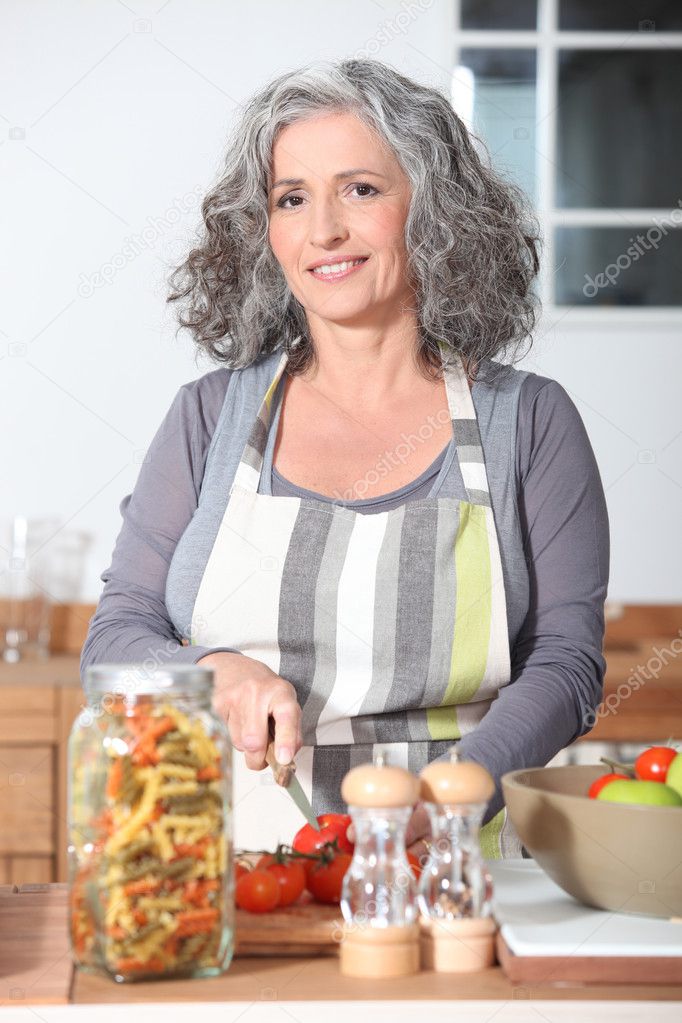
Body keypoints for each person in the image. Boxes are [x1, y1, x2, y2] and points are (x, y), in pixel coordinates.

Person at [80, 58, 610, 860]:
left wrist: (451, 791)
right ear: (267, 233)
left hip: (454, 864)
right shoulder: (208, 419)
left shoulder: (529, 421)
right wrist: (212, 669)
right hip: (232, 875)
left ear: (432, 211)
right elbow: (114, 640)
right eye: (292, 199)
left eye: (360, 189)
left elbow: (568, 664)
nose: (323, 229)